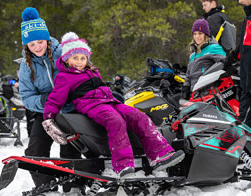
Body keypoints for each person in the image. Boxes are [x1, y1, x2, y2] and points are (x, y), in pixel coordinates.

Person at [42, 32, 185, 177]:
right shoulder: (64, 77)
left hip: (110, 102)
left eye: (83, 58)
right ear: (67, 60)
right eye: (75, 58)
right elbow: (55, 98)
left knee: (139, 116)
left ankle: (160, 155)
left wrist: (114, 96)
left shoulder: (92, 71)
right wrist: (48, 117)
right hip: (92, 106)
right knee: (116, 122)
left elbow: (100, 89)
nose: (79, 61)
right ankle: (123, 165)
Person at [18, 7, 81, 189]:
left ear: (46, 38)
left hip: (71, 110)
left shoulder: (63, 53)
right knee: (35, 151)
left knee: (70, 151)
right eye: (32, 44)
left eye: (40, 41)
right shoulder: (26, 67)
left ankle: (73, 188)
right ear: (26, 46)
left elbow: (82, 72)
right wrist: (44, 101)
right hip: (46, 113)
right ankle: (47, 186)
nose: (37, 47)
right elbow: (27, 97)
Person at [221, 0, 251, 136]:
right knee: (244, 125)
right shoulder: (249, 17)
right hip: (247, 83)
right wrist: (230, 59)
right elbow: (244, 46)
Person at [182, 19, 226, 99]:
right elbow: (188, 75)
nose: (197, 36)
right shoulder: (193, 55)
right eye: (195, 34)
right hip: (195, 95)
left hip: (209, 93)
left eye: (200, 33)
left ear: (206, 34)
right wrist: (186, 88)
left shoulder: (214, 48)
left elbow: (225, 64)